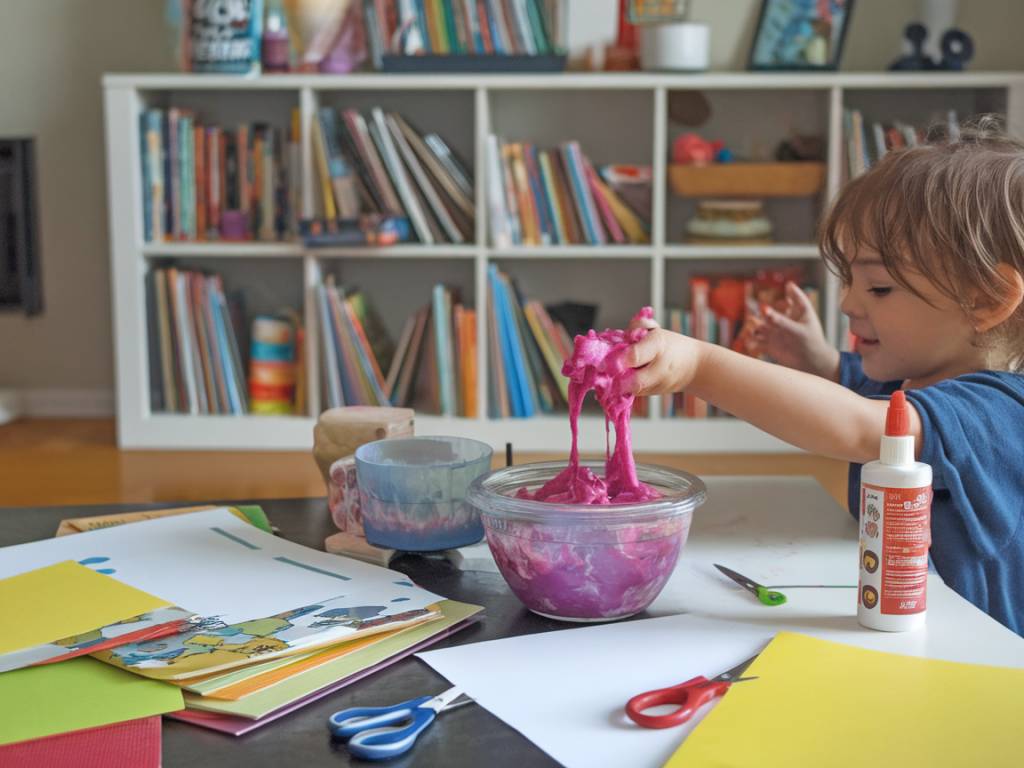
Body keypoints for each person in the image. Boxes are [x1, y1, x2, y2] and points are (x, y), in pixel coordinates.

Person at [627, 122, 1024, 635]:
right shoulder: (912, 380)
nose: (847, 304)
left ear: (986, 299)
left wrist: (700, 366)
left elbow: (862, 427)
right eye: (849, 281)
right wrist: (819, 361)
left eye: (878, 287)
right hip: (905, 631)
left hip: (982, 664)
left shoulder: (1000, 410)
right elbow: (861, 392)